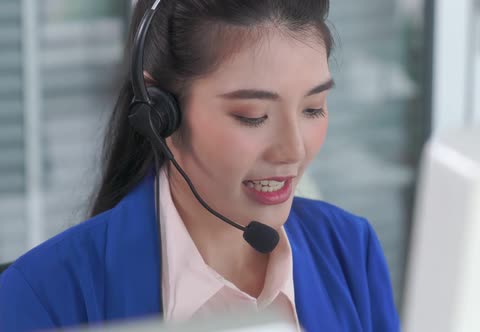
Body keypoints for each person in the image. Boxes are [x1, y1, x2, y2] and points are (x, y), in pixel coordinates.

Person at [0, 0, 400, 331]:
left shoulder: (350, 249)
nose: (292, 150)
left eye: (313, 109)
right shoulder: (42, 296)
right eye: (252, 115)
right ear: (160, 114)